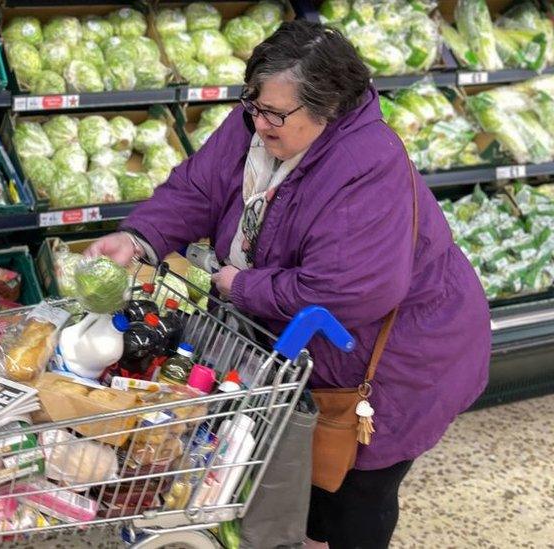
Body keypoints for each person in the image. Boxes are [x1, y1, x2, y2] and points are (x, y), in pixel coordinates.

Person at [87, 20, 491, 549]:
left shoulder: (366, 167)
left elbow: (349, 290)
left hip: (396, 362)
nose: (258, 124)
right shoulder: (261, 122)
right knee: (305, 480)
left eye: (274, 114)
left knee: (354, 490)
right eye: (252, 105)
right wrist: (140, 237)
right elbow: (199, 186)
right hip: (312, 352)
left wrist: (241, 286)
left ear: (328, 109)